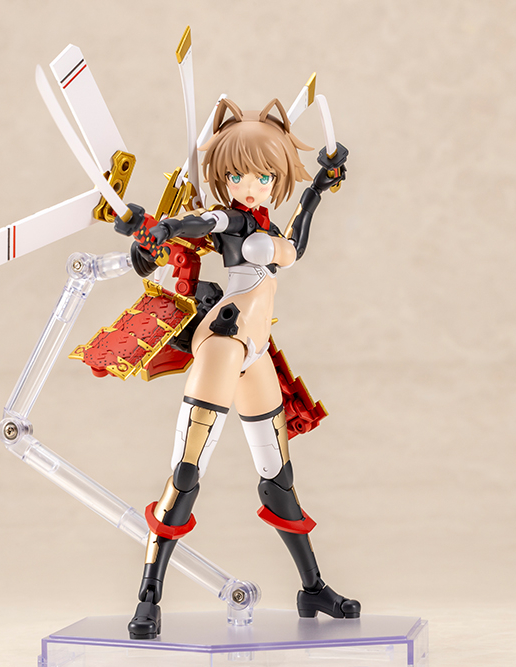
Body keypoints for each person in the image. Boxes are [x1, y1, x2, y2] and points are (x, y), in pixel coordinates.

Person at [120, 97, 358, 640]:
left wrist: (319, 187)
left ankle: (312, 588)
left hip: (257, 349)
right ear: (223, 177)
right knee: (186, 473)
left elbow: (294, 244)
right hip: (225, 342)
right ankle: (148, 597)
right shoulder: (230, 219)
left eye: (263, 176)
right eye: (237, 175)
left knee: (278, 480)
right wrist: (161, 231)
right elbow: (200, 221)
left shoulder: (267, 224)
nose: (250, 186)